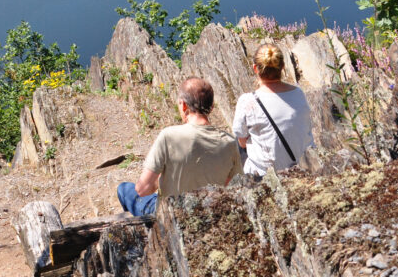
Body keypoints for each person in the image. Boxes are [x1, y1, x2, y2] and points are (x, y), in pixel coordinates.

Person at [117, 77, 241, 216]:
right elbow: (231, 186)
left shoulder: (169, 136)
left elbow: (142, 189)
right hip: (207, 215)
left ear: (183, 105)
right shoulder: (230, 143)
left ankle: (143, 233)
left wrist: (160, 182)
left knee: (124, 189)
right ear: (211, 107)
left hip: (171, 218)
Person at [232, 43, 314, 177]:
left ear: (255, 69)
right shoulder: (299, 93)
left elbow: (242, 142)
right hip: (303, 165)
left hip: (267, 174)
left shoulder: (248, 101)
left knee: (237, 141)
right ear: (282, 67)